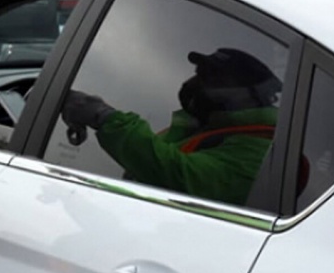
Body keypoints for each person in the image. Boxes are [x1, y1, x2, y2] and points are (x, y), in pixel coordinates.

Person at [61, 48, 282, 206]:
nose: (194, 83)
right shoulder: (201, 126)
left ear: (252, 96)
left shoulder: (264, 149)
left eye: (214, 78)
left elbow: (177, 174)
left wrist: (103, 117)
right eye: (199, 74)